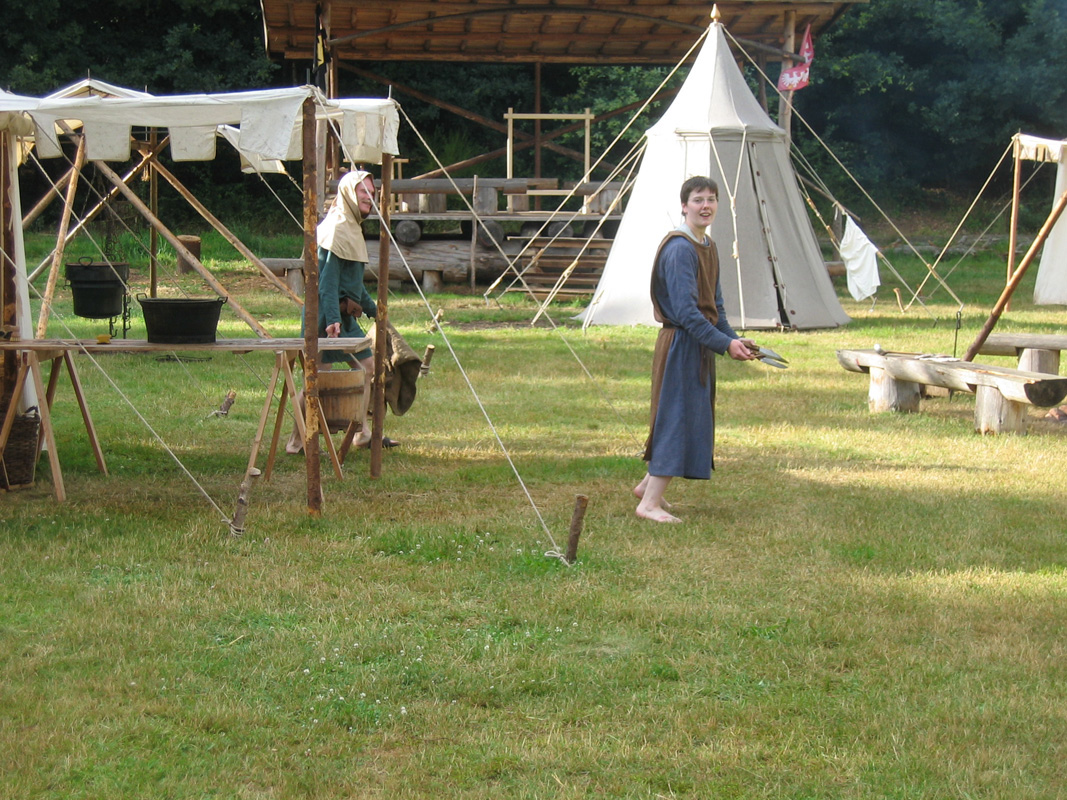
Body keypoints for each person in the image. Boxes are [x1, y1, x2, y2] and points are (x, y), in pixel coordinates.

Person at [634, 176, 757, 523]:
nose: (706, 206)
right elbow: (687, 313)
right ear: (684, 206)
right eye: (698, 200)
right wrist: (724, 345)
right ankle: (648, 505)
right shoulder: (680, 248)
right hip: (680, 345)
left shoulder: (707, 244)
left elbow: (714, 306)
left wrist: (734, 338)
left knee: (688, 416)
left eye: (711, 199)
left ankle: (646, 488)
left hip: (697, 343)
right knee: (677, 418)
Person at [286, 168, 399, 453]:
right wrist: (332, 321)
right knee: (316, 380)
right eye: (363, 192)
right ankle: (296, 440)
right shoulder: (336, 228)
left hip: (344, 319)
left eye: (372, 193)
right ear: (349, 193)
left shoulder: (351, 227)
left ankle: (361, 432)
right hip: (324, 317)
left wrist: (376, 311)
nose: (369, 197)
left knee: (367, 368)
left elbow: (353, 286)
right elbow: (326, 284)